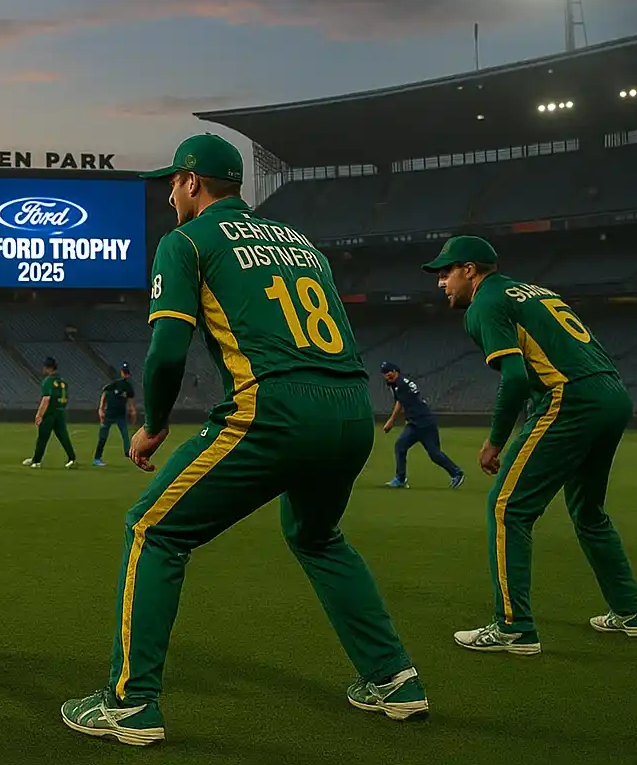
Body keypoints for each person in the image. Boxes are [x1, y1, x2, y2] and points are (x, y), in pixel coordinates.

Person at [61, 134, 424, 746]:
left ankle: (131, 704)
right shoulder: (302, 243)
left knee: (155, 530)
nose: (169, 193)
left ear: (193, 182)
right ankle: (393, 678)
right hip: (351, 410)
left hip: (276, 408)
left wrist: (152, 424)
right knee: (317, 536)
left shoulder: (184, 242)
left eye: (172, 181)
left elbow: (167, 348)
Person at [423, 235, 637, 655]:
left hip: (571, 397)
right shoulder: (536, 291)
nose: (441, 283)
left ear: (470, 270)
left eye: (446, 272)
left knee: (509, 508)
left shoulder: (484, 304)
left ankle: (514, 627)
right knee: (589, 512)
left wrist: (495, 441)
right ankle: (632, 612)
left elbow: (513, 378)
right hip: (612, 394)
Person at [379, 362, 462, 488]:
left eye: (389, 372)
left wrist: (391, 421)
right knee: (400, 446)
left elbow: (400, 403)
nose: (387, 376)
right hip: (414, 424)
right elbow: (399, 401)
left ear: (396, 371)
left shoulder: (401, 384)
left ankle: (457, 473)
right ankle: (400, 478)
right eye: (384, 374)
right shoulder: (397, 383)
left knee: (434, 454)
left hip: (425, 423)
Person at [23, 357, 75, 468]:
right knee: (63, 436)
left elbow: (46, 398)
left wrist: (39, 414)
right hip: (60, 412)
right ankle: (72, 458)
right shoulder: (62, 382)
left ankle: (37, 461)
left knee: (42, 437)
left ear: (48, 368)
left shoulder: (48, 381)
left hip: (50, 413)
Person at [94, 363, 138, 465]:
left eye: (127, 373)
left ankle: (129, 453)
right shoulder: (115, 384)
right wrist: (101, 409)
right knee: (103, 437)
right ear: (122, 373)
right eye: (125, 373)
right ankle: (97, 458)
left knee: (125, 435)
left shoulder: (128, 387)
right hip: (109, 414)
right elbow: (104, 393)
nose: (126, 375)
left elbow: (131, 400)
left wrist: (133, 410)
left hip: (121, 415)